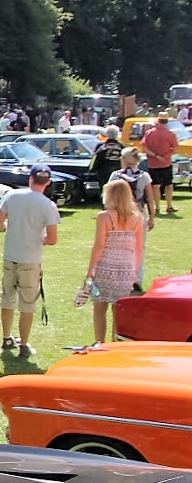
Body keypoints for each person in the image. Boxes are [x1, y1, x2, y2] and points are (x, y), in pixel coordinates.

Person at [0, 166, 60, 357]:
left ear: (30, 178)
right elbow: (52, 239)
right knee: (27, 302)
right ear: (47, 183)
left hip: (11, 255)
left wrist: (9, 229)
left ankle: (6, 338)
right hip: (31, 259)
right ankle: (24, 344)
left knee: (7, 297)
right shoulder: (48, 205)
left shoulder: (12, 196)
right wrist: (40, 238)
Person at [86, 179, 145, 344]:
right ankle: (115, 344)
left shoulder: (104, 217)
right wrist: (134, 271)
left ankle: (99, 342)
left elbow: (99, 245)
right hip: (126, 268)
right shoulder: (138, 218)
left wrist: (90, 269)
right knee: (118, 310)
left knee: (99, 307)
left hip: (105, 265)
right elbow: (139, 248)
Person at [109, 147, 157, 289]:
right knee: (138, 247)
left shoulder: (116, 175)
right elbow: (150, 198)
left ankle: (119, 277)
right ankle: (136, 279)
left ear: (125, 159)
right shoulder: (144, 176)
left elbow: (108, 196)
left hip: (119, 214)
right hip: (138, 214)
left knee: (118, 246)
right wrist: (152, 217)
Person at [143, 114, 178, 214]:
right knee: (169, 184)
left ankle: (156, 207)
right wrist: (165, 156)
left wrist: (155, 155)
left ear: (158, 121)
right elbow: (174, 150)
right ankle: (169, 205)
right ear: (167, 121)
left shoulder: (149, 133)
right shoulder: (171, 134)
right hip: (166, 162)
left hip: (153, 163)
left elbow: (145, 148)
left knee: (155, 185)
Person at [89, 125, 124, 193]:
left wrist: (92, 170)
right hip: (118, 171)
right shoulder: (121, 146)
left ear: (107, 134)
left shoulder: (100, 145)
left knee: (105, 189)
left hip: (103, 172)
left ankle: (105, 201)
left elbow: (95, 158)